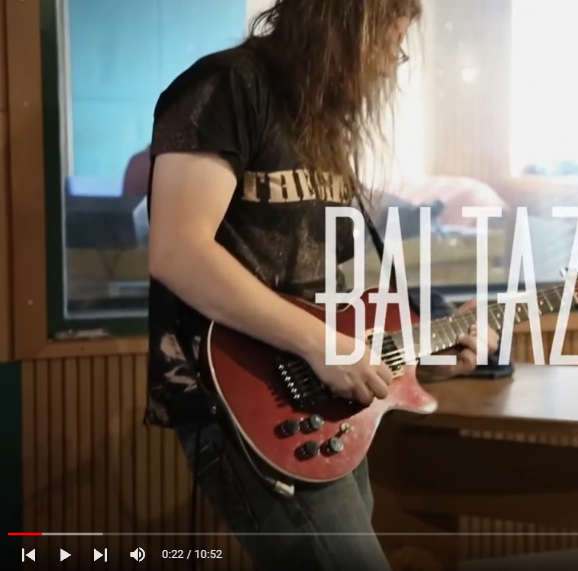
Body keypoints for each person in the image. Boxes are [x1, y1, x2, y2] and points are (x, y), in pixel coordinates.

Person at [144, 1, 498, 569]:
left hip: (320, 405)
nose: (393, 61)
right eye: (389, 40)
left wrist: (403, 360)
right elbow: (178, 251)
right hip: (236, 402)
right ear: (343, 21)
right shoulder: (228, 86)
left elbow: (327, 299)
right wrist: (322, 345)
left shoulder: (320, 120)